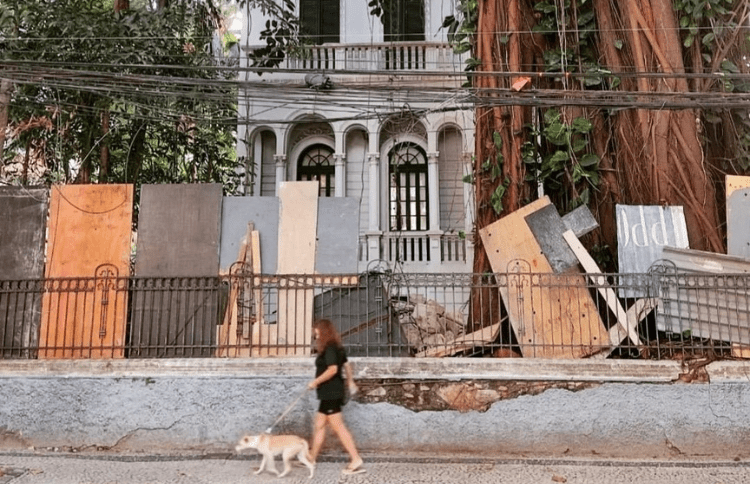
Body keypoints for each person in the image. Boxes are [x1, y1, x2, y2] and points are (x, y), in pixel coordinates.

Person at [307, 318, 365, 475]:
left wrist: (315, 382)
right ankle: (311, 458)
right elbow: (346, 365)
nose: (315, 333)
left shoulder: (330, 349)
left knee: (338, 427)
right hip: (328, 393)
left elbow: (332, 370)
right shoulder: (336, 347)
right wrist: (350, 382)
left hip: (331, 392)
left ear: (323, 330)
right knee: (319, 424)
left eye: (317, 330)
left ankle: (355, 459)